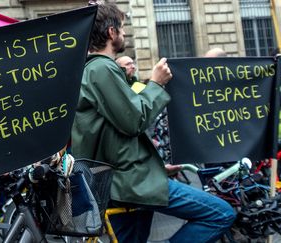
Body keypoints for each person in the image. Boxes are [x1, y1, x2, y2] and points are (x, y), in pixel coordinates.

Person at [71, 3, 236, 243]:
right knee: (220, 213)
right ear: (111, 32)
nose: (124, 33)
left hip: (122, 183)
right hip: (129, 184)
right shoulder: (101, 69)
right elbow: (133, 120)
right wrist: (156, 84)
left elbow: (115, 134)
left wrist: (155, 167)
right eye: (122, 28)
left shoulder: (95, 70)